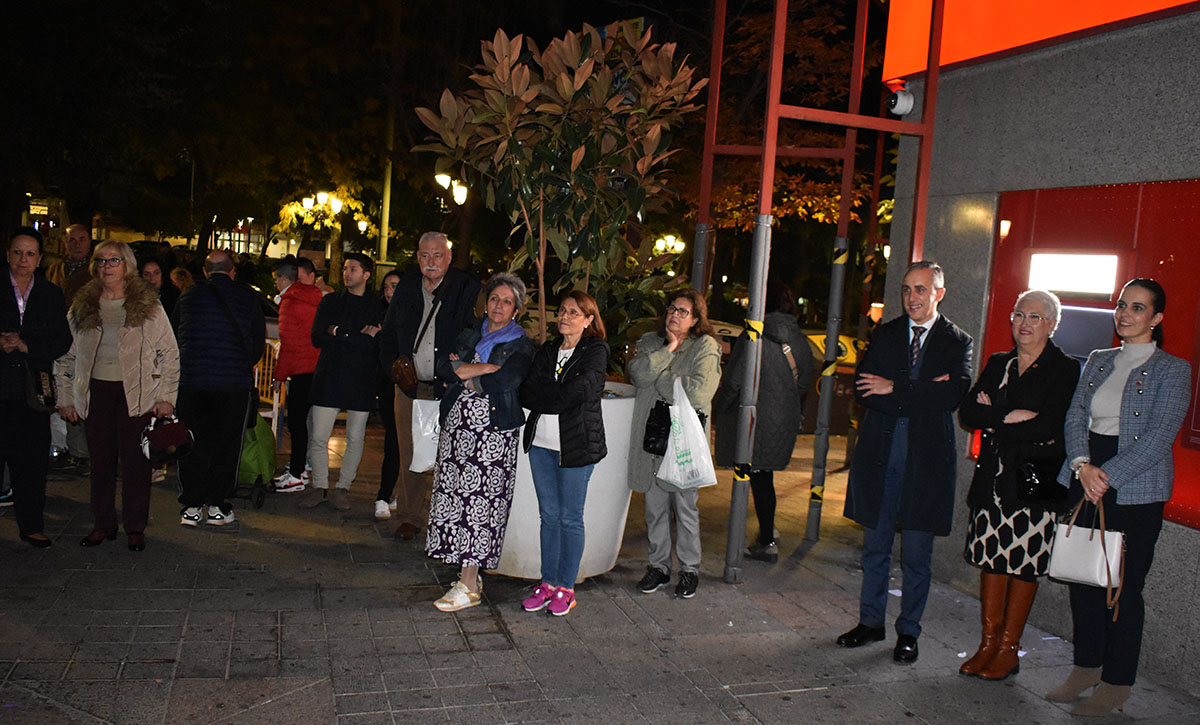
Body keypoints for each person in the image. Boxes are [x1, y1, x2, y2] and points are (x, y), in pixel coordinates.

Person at [1045, 279, 1191, 716]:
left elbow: (1159, 436)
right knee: (1082, 578)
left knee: (1123, 588)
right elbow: (1075, 414)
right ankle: (1086, 666)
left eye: (1139, 308)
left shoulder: (1173, 369)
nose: (1126, 314)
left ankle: (1116, 681)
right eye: (1123, 305)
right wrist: (1081, 466)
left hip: (1133, 487)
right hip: (1085, 470)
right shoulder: (1099, 359)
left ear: (1157, 318)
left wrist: (1104, 476)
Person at [836, 261, 973, 664]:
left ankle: (908, 632)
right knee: (874, 548)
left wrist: (895, 387)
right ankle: (870, 622)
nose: (912, 297)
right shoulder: (888, 333)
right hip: (881, 455)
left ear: (939, 293)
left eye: (921, 290)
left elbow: (952, 397)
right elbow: (864, 389)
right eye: (907, 289)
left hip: (924, 462)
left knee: (916, 555)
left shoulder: (956, 341)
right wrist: (922, 392)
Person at [957, 290, 1079, 680]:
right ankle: (987, 644)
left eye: (1035, 317)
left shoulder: (1064, 369)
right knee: (991, 560)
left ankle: (1009, 649)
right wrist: (1010, 416)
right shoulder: (999, 362)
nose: (1024, 324)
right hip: (991, 483)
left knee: (1023, 566)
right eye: (1018, 315)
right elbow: (969, 412)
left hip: (1032, 486)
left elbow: (1051, 427)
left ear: (1052, 324)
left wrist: (995, 420)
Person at [56, 241, 179, 552]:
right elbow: (65, 356)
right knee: (100, 462)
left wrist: (166, 396)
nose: (106, 266)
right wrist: (66, 398)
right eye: (101, 260)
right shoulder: (84, 304)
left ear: (127, 265)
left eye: (114, 260)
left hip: (136, 394)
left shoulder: (146, 304)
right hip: (96, 391)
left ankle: (135, 526)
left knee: (136, 463)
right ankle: (103, 523)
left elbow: (169, 352)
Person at [426, 273, 533, 612]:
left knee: (479, 504)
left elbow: (507, 379)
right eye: (494, 299)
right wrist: (480, 368)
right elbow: (445, 366)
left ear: (516, 308)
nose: (498, 306)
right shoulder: (471, 333)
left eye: (506, 301)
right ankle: (466, 572)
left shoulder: (521, 343)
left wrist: (469, 371)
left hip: (492, 434)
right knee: (456, 497)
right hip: (457, 429)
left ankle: (468, 585)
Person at [379, 232, 481, 540]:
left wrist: (459, 363)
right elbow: (387, 335)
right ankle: (410, 517)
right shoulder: (408, 287)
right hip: (409, 388)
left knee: (450, 455)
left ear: (449, 257)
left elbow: (477, 331)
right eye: (424, 255)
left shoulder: (465, 286)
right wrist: (394, 369)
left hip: (449, 388)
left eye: (437, 255)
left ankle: (447, 518)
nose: (430, 262)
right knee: (410, 453)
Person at [518, 291, 610, 616]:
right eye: (562, 310)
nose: (565, 316)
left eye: (574, 312)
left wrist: (549, 396)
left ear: (588, 319)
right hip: (540, 446)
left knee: (570, 518)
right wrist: (553, 396)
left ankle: (566, 589)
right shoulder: (547, 350)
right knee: (549, 517)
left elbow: (583, 390)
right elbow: (527, 390)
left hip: (577, 446)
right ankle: (548, 582)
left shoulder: (595, 350)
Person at [628, 288, 722, 600]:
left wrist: (662, 377)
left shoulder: (706, 346)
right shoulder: (650, 342)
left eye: (683, 311)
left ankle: (690, 569)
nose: (675, 314)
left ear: (696, 319)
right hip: (652, 440)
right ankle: (658, 566)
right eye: (672, 308)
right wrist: (668, 349)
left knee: (685, 509)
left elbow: (697, 393)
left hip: (682, 443)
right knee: (654, 509)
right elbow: (638, 375)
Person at [713, 282, 813, 562]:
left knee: (755, 477)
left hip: (755, 418)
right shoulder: (799, 338)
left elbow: (734, 382)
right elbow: (805, 381)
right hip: (784, 419)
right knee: (763, 477)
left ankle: (767, 539)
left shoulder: (753, 336)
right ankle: (768, 531)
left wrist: (721, 409)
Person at [173, 250, 266, 527]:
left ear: (205, 271)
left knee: (192, 442)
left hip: (192, 382)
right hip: (232, 384)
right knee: (226, 445)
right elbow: (257, 343)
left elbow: (176, 334)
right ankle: (217, 506)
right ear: (232, 271)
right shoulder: (248, 297)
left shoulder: (188, 296)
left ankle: (190, 505)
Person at [2, 228, 72, 547]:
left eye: (30, 254)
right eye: (17, 252)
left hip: (31, 389)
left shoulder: (50, 294)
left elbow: (62, 340)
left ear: (40, 259)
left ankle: (31, 524)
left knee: (31, 461)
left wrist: (28, 346)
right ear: (8, 254)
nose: (23, 260)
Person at [298, 253, 382, 511]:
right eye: (346, 269)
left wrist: (337, 332)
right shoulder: (331, 301)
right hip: (330, 376)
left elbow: (372, 345)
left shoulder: (377, 305)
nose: (347, 273)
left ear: (366, 274)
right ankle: (319, 486)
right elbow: (317, 337)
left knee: (356, 438)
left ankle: (343, 487)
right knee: (319, 436)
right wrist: (355, 336)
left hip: (361, 379)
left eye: (353, 269)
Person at [270, 260, 323, 492]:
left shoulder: (290, 303)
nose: (274, 284)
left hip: (301, 370)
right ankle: (299, 471)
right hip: (317, 368)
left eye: (275, 279)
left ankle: (296, 475)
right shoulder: (313, 297)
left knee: (297, 424)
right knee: (304, 424)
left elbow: (288, 344)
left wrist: (278, 376)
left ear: (283, 279)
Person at [46, 223, 93, 469]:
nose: (76, 245)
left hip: (83, 336)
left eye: (81, 240)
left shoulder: (95, 270)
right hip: (57, 334)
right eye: (72, 240)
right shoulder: (55, 269)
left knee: (80, 391)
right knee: (58, 390)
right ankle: (62, 446)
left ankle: (81, 450)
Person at [373, 269, 403, 519]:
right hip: (387, 385)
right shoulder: (378, 313)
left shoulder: (411, 314)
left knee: (407, 444)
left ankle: (395, 494)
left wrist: (380, 334)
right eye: (385, 287)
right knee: (393, 441)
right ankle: (383, 495)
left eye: (394, 286)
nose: (389, 292)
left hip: (410, 385)